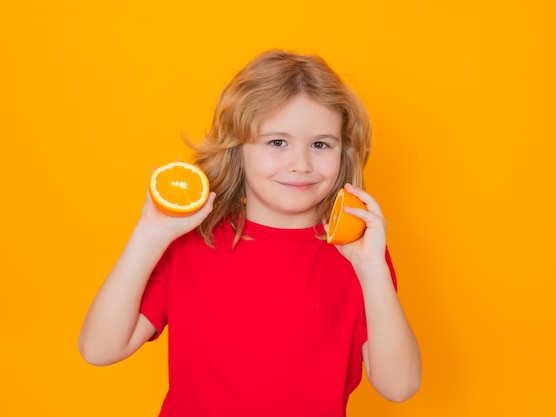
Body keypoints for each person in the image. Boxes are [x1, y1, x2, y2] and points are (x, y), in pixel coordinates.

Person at [78, 49, 421, 417]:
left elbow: (399, 386)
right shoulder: (191, 244)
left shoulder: (360, 255)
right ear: (238, 149)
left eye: (320, 144)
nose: (300, 164)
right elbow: (99, 349)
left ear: (343, 153)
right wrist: (149, 235)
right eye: (277, 142)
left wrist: (372, 270)